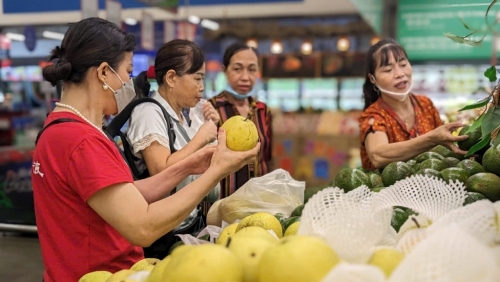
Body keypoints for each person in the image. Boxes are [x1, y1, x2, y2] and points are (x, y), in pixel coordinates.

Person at [32, 18, 259, 282]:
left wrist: (189, 165)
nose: (130, 82)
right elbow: (143, 226)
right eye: (127, 72)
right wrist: (218, 170)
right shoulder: (81, 141)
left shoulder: (60, 128)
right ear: (104, 73)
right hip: (103, 275)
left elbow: (123, 196)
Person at [128, 39, 220, 255]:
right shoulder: (149, 113)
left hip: (187, 225)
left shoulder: (185, 115)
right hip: (162, 236)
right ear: (171, 78)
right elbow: (161, 171)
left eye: (203, 79)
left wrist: (213, 127)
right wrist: (200, 138)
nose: (202, 87)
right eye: (197, 78)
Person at [359, 38, 468, 170]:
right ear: (373, 79)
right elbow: (378, 156)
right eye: (388, 70)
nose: (399, 74)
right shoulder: (373, 117)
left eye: (403, 64)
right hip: (385, 189)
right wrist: (431, 139)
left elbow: (442, 148)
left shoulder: (425, 104)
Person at [208, 42, 273, 201]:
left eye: (252, 69)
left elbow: (267, 158)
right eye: (237, 69)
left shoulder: (263, 110)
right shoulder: (210, 109)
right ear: (225, 70)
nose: (245, 77)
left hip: (256, 201)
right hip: (221, 202)